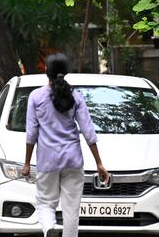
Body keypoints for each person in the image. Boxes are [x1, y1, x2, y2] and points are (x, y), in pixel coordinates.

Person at [23, 53, 109, 237]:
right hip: (73, 160)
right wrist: (99, 163)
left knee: (45, 203)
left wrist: (27, 163)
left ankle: (50, 229)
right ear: (66, 72)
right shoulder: (76, 97)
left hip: (48, 161)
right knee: (71, 209)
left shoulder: (35, 97)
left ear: (46, 72)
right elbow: (88, 132)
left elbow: (31, 134)